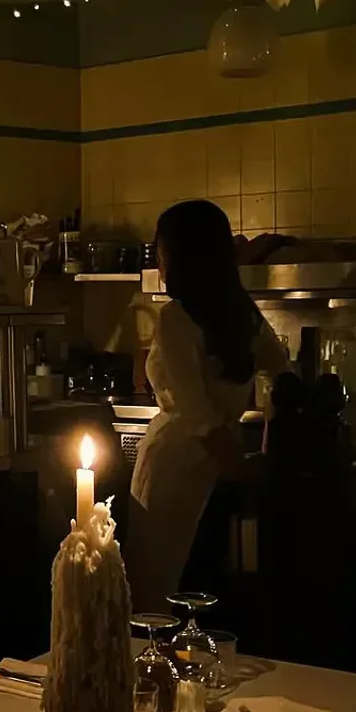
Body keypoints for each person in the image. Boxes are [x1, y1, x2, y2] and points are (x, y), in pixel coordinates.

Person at [126, 199, 287, 609]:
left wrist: (245, 467)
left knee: (158, 589)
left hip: (174, 467)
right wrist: (264, 449)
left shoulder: (177, 318)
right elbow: (282, 373)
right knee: (206, 586)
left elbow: (198, 418)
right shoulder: (242, 312)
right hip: (214, 465)